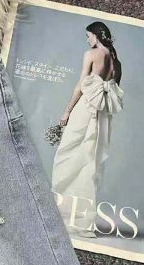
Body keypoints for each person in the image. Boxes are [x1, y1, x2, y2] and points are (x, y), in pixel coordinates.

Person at [51, 22, 124, 238]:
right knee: (89, 164)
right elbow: (113, 91)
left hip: (86, 109)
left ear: (96, 35)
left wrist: (66, 111)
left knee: (66, 156)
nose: (87, 40)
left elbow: (80, 87)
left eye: (88, 35)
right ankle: (81, 222)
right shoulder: (117, 62)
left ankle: (63, 216)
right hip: (103, 115)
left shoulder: (91, 54)